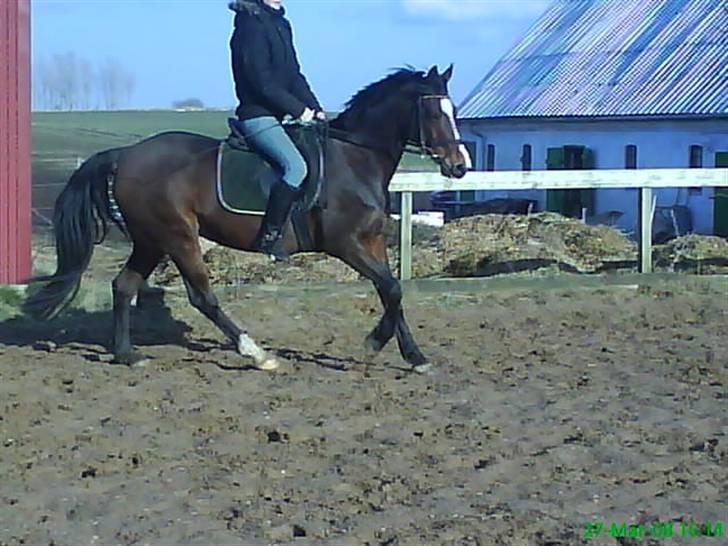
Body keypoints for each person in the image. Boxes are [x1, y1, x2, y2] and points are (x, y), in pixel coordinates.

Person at [229, 0, 326, 260]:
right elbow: (262, 83)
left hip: (282, 115)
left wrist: (316, 109)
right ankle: (270, 237)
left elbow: (294, 75)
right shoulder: (250, 26)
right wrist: (298, 110)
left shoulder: (281, 23)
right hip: (257, 116)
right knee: (296, 167)